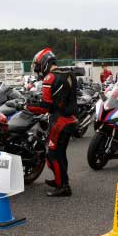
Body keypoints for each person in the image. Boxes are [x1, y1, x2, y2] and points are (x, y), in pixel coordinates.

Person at [27, 48, 78, 197]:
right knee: (61, 154)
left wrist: (27, 106)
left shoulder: (49, 78)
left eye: (38, 66)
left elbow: (45, 107)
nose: (38, 70)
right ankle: (60, 180)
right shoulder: (69, 73)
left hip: (59, 121)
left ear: (44, 63)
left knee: (53, 155)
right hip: (71, 119)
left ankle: (63, 186)